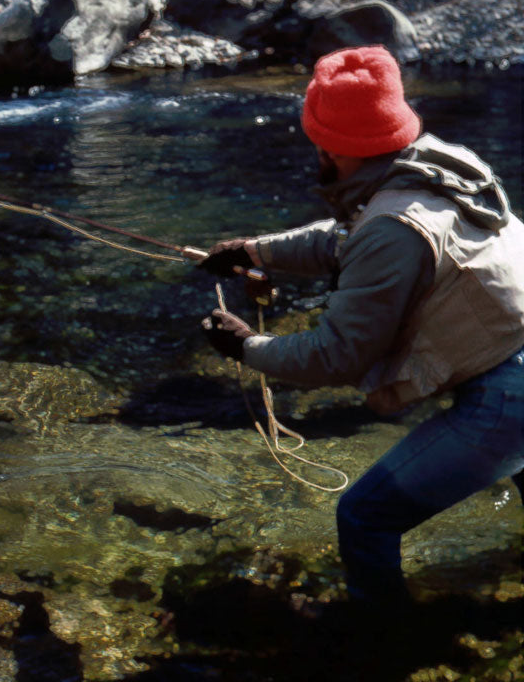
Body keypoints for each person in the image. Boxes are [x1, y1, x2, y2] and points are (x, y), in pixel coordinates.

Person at [199, 45, 524, 609]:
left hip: (508, 396)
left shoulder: (392, 225)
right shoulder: (438, 163)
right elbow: (349, 238)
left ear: (331, 145)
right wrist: (256, 250)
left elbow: (337, 355)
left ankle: (381, 644)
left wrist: (246, 346)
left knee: (364, 516)